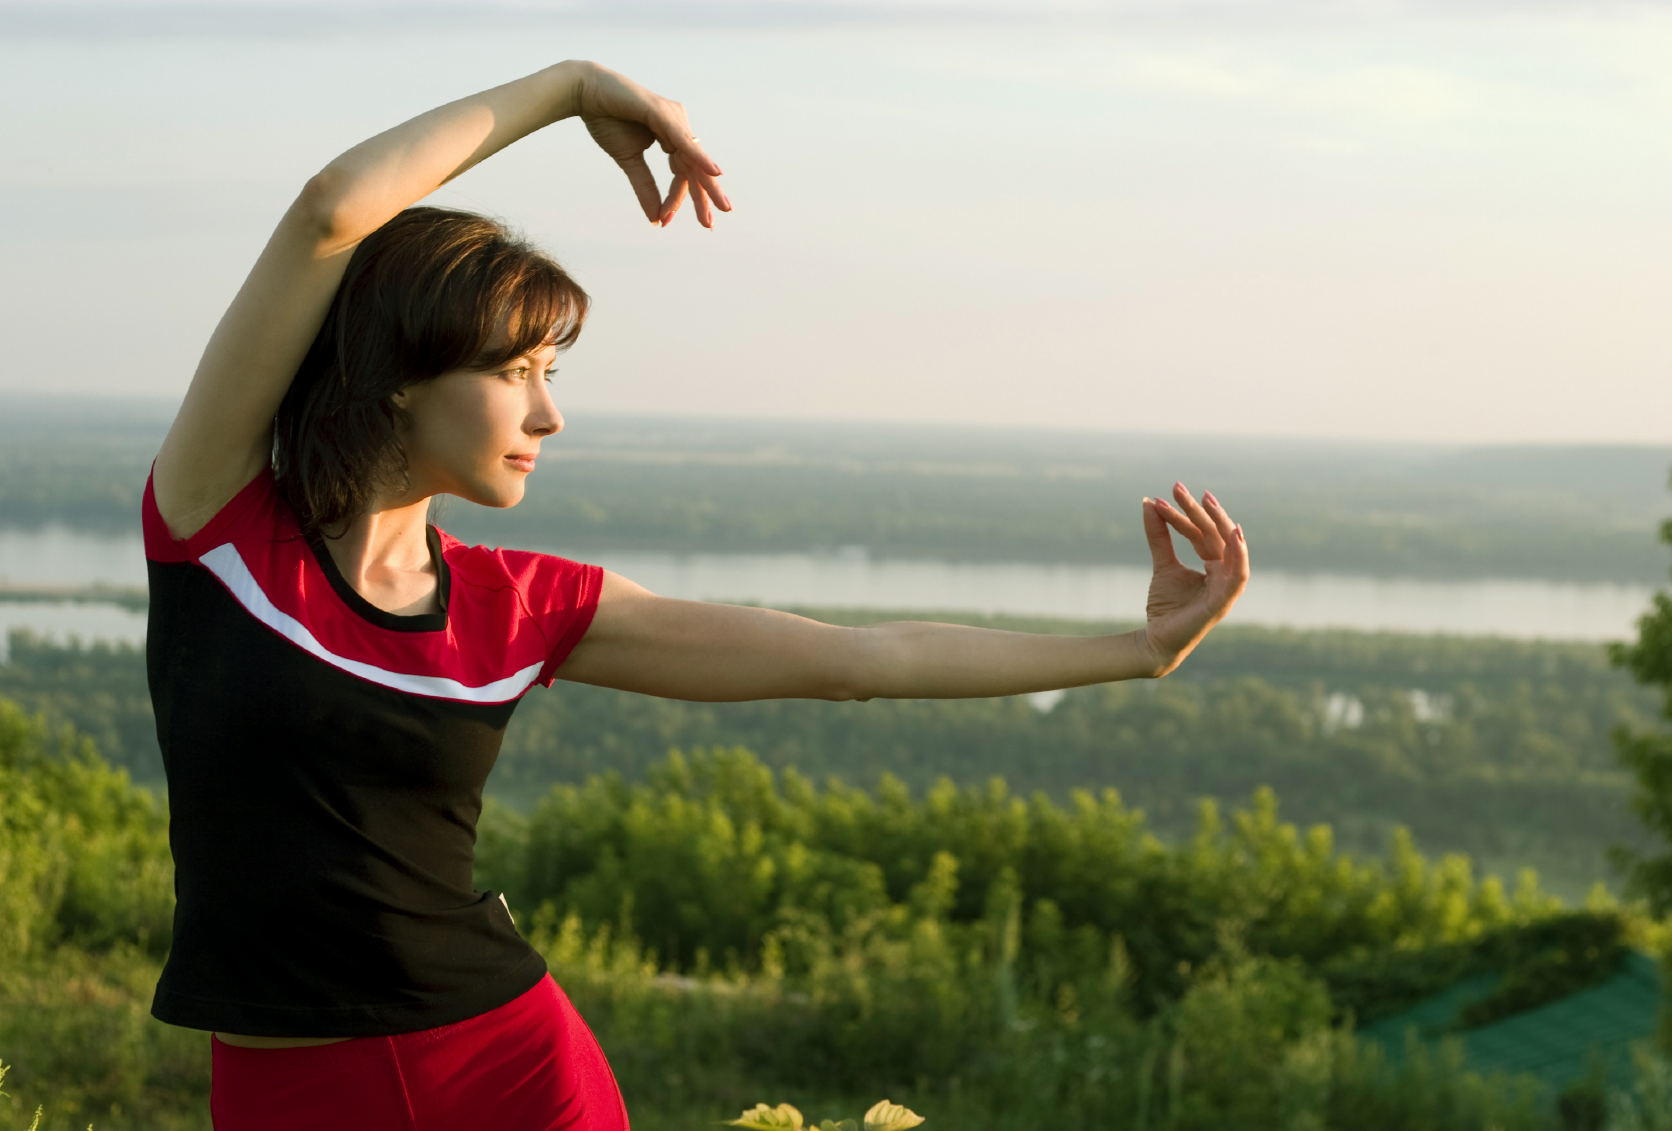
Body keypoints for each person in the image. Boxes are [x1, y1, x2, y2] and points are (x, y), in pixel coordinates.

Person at [143, 59, 1249, 1131]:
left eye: (552, 375)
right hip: (285, 1095)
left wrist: (1136, 649)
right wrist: (571, 88)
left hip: (510, 1073)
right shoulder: (219, 526)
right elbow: (330, 211)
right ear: (399, 377)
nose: (548, 415)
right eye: (515, 371)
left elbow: (855, 662)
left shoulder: (518, 607)